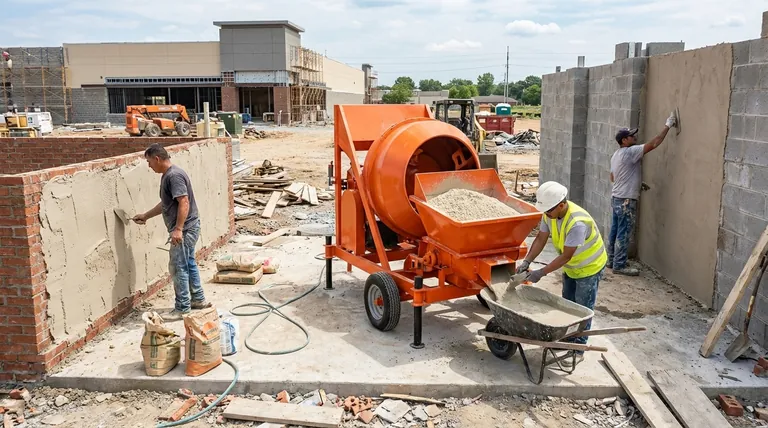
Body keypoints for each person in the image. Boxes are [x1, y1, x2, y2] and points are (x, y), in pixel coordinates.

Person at [515, 181, 607, 367]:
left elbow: (566, 256)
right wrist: (527, 261)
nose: (546, 214)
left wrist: (540, 273)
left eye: (549, 211)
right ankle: (567, 339)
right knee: (568, 303)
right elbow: (541, 238)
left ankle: (578, 348)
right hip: (573, 266)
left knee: (582, 308)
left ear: (561, 205)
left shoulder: (577, 223)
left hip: (589, 267)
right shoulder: (550, 213)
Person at [133, 144, 210, 320]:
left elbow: (184, 202)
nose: (149, 166)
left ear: (157, 159)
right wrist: (146, 216)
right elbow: (167, 204)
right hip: (188, 228)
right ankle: (197, 299)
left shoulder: (173, 176)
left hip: (186, 229)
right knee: (188, 263)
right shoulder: (169, 175)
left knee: (178, 267)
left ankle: (182, 307)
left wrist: (178, 229)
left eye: (149, 161)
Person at [608, 114, 677, 276]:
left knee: (615, 230)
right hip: (625, 199)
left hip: (617, 197)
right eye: (631, 136)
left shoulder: (616, 155)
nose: (635, 137)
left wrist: (636, 184)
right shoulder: (630, 152)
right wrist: (668, 125)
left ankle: (612, 261)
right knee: (624, 232)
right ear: (624, 140)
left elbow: (613, 176)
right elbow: (654, 143)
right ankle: (619, 265)